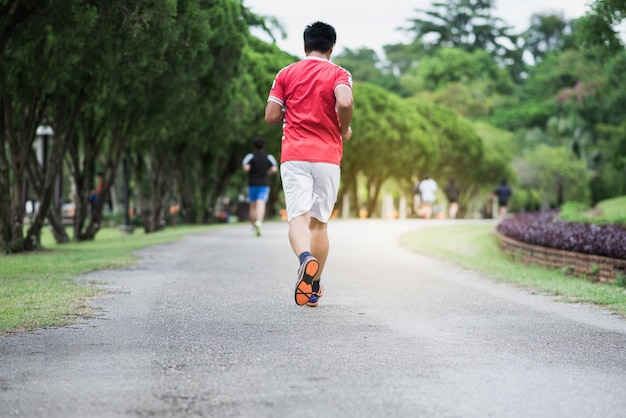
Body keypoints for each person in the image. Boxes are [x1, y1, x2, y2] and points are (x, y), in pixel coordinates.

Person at [265, 21, 353, 307]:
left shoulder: (286, 73)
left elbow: (270, 115)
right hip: (328, 157)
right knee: (320, 224)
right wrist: (343, 127)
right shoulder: (339, 73)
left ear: (305, 47)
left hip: (294, 154)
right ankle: (313, 288)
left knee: (298, 218)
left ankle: (305, 259)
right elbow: (346, 101)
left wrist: (290, 112)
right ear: (331, 47)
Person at [242, 136, 278, 236]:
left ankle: (253, 226)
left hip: (252, 183)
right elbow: (274, 169)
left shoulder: (250, 156)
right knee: (261, 203)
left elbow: (246, 168)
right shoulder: (268, 157)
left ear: (253, 146)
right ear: (264, 146)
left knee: (252, 205)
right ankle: (259, 222)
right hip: (263, 184)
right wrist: (268, 172)